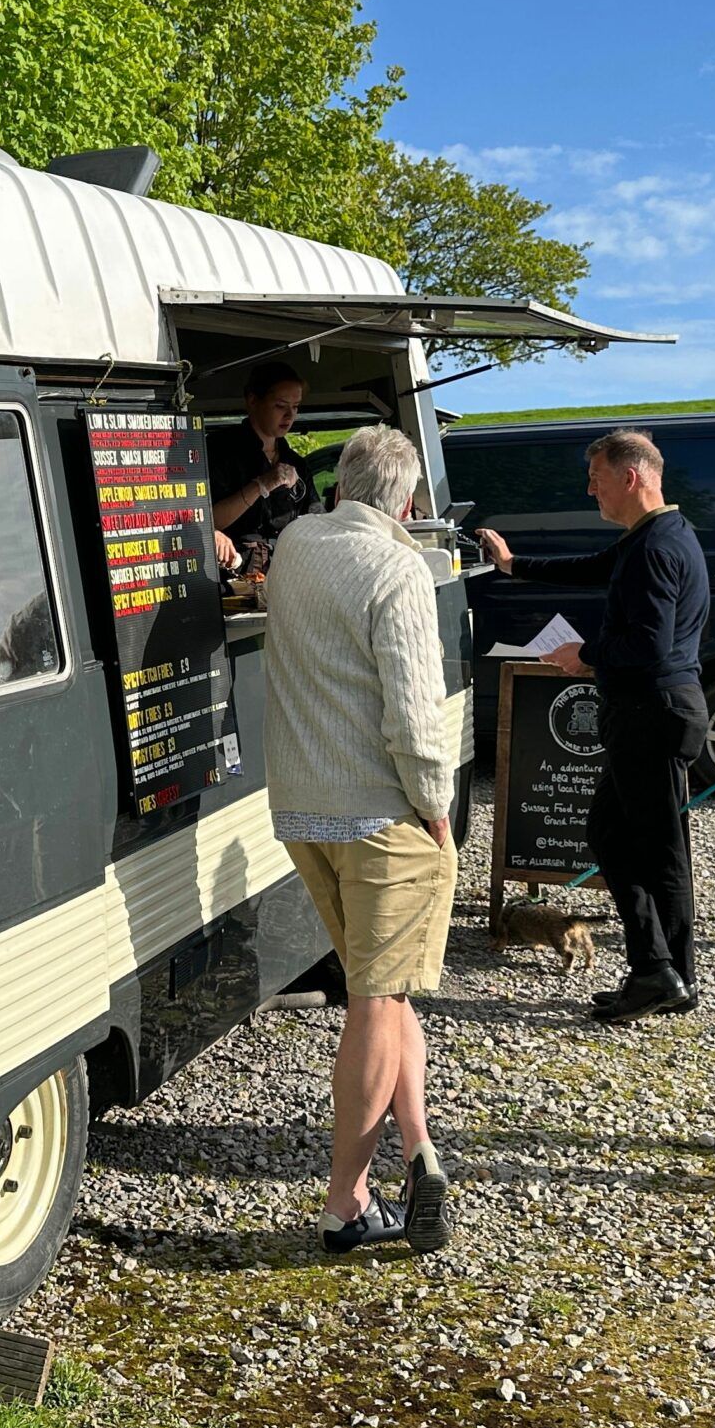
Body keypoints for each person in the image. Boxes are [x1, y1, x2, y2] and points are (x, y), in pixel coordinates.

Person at [264, 425, 456, 1256]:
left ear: (340, 484)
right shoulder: (397, 567)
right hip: (381, 816)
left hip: (302, 811)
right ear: (408, 503)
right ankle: (345, 1201)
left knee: (387, 990)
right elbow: (415, 718)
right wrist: (438, 806)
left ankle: (420, 1153)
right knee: (378, 1000)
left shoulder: (296, 543)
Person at [476, 429, 711, 1024]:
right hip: (650, 714)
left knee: (651, 851)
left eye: (597, 479)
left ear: (631, 477)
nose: (590, 490)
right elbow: (591, 567)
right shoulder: (651, 537)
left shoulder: (657, 547)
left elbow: (648, 646)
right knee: (623, 839)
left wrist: (588, 655)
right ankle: (662, 973)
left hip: (652, 713)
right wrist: (512, 565)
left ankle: (663, 973)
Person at [207, 361, 321, 566]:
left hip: (284, 571)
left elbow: (317, 521)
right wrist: (261, 485)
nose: (290, 415)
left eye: (295, 407)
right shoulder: (220, 449)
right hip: (231, 574)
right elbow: (206, 518)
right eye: (280, 406)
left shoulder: (296, 463)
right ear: (252, 400)